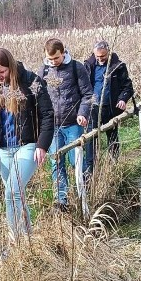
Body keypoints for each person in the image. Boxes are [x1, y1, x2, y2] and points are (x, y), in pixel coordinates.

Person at [0, 47, 54, 239]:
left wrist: (42, 145)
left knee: (11, 193)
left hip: (27, 145)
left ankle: (15, 242)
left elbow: (47, 114)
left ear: (11, 67)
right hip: (2, 149)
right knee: (17, 196)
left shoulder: (32, 82)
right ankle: (27, 240)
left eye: (2, 71)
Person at [38, 38, 93, 211]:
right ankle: (62, 200)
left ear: (63, 52)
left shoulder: (77, 68)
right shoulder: (44, 70)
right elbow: (35, 93)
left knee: (75, 161)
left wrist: (82, 113)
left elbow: (88, 95)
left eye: (56, 58)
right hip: (53, 126)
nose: (53, 62)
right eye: (50, 59)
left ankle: (85, 192)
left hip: (73, 124)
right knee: (57, 162)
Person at [84, 40, 134, 173]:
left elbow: (127, 87)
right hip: (93, 108)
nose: (100, 59)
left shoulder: (118, 66)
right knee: (91, 139)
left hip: (111, 108)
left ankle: (114, 166)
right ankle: (91, 170)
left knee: (112, 137)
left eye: (103, 56)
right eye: (97, 57)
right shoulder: (88, 66)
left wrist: (122, 99)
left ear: (108, 52)